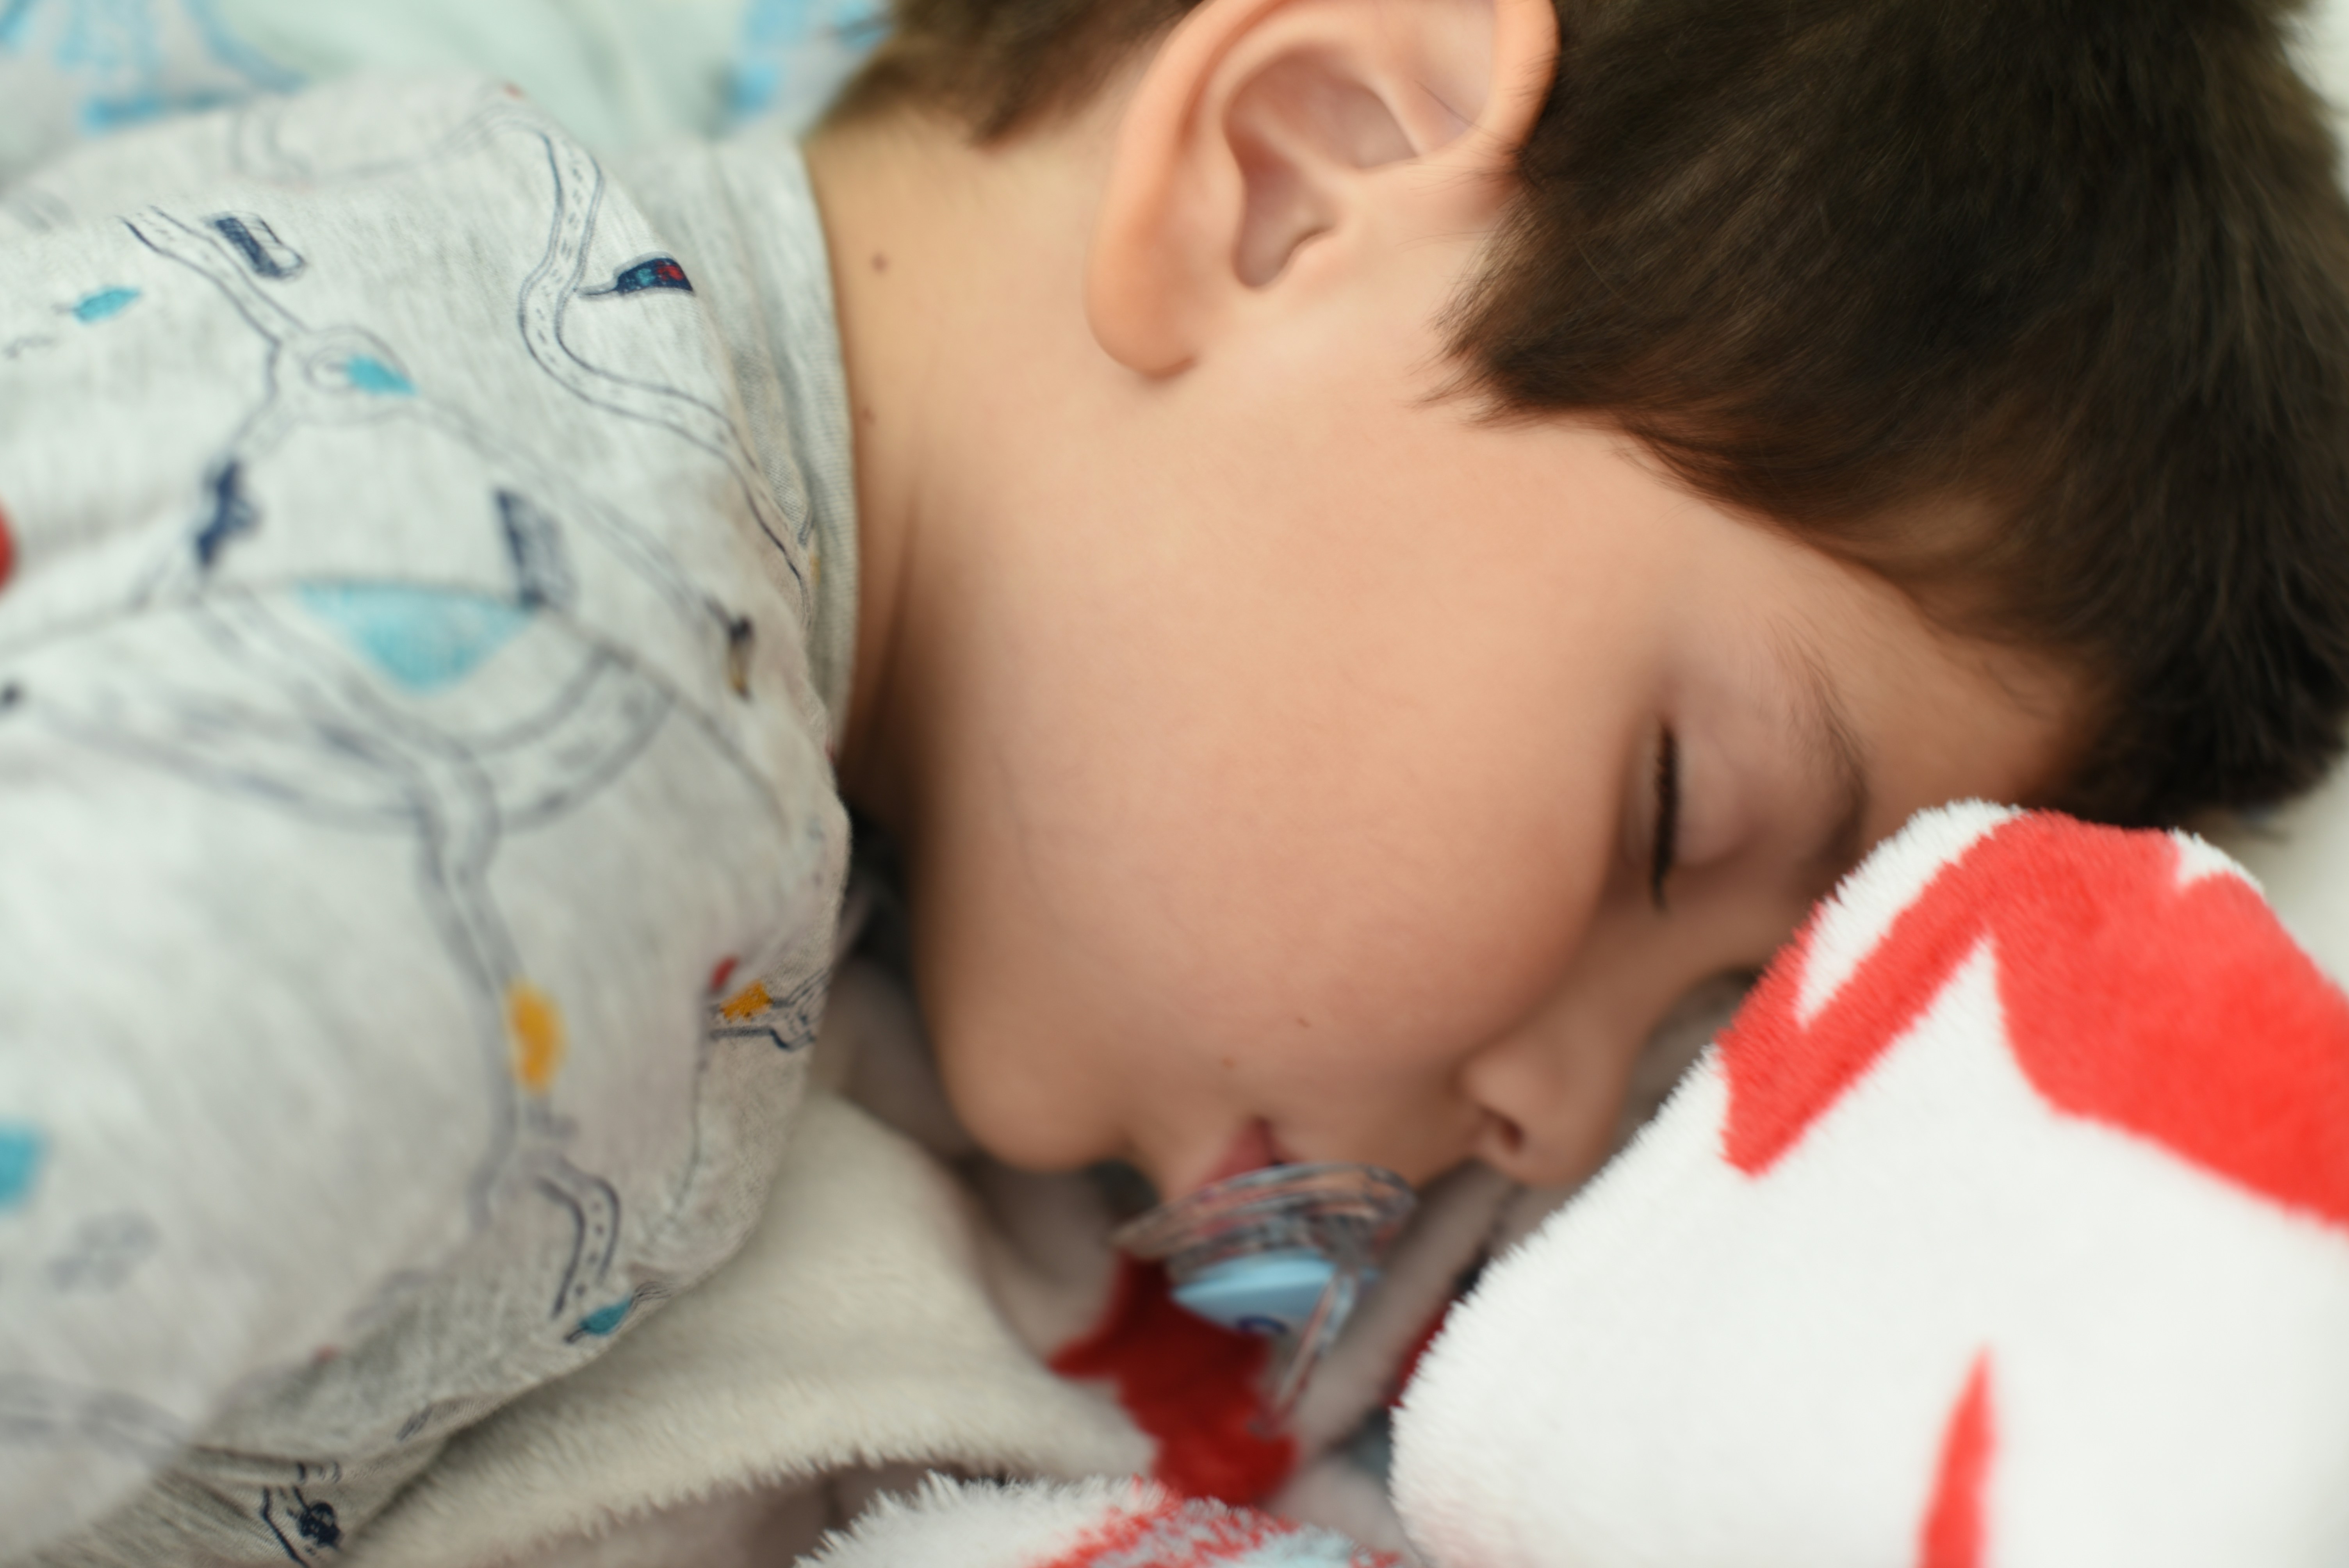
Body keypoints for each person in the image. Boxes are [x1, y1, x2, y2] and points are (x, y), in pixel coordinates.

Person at [3, 0, 2347, 1561]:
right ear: (1300, 166)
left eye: (1690, 1018)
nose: (1559, 1123)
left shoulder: (378, 199)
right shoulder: (550, 779)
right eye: (1668, 823)